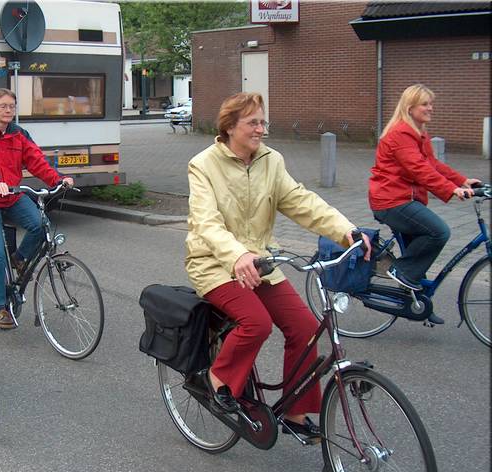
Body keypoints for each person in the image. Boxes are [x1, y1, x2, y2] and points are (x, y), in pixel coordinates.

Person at [185, 92, 370, 438]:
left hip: (260, 262)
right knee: (256, 322)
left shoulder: (271, 161)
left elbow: (303, 202)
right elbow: (206, 223)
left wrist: (347, 231)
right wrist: (236, 255)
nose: (261, 129)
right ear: (230, 127)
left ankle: (295, 413)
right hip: (213, 263)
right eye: (253, 122)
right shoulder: (203, 165)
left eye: (262, 122)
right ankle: (217, 379)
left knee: (304, 326)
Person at [368, 84, 480, 324]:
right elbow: (418, 170)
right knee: (438, 232)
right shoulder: (400, 133)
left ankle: (418, 306)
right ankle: (399, 271)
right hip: (391, 200)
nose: (431, 108)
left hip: (404, 199)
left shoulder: (418, 132)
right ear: (410, 107)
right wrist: (451, 189)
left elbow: (432, 164)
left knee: (417, 256)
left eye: (431, 103)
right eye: (425, 104)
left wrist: (462, 180)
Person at [0, 88, 74, 329]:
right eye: (3, 106)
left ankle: (19, 257)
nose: (8, 110)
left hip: (11, 195)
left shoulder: (19, 134)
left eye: (11, 106)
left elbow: (36, 160)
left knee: (39, 224)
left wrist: (57, 180)